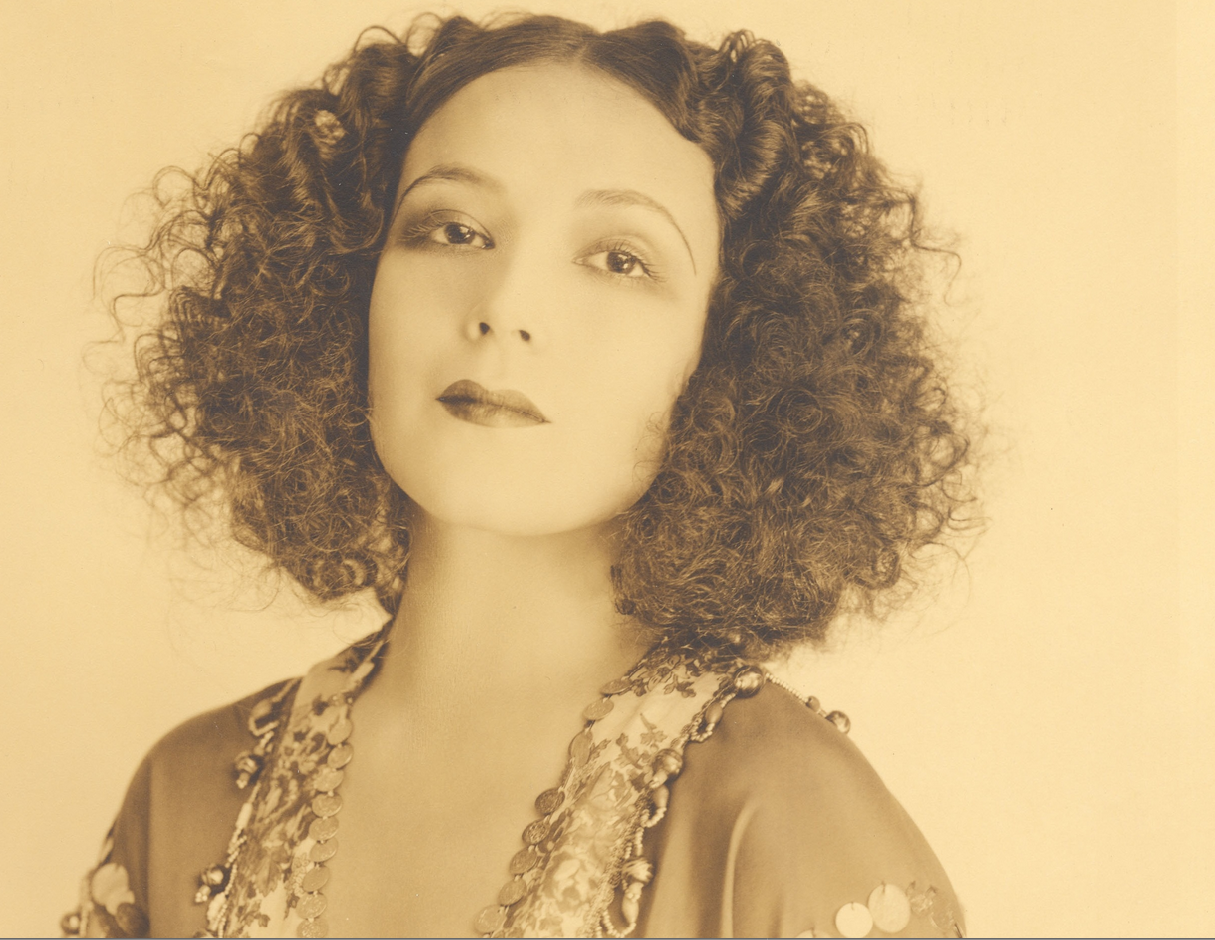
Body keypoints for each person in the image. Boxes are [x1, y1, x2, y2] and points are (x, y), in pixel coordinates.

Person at [65, 12, 972, 939]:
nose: (505, 306)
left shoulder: (782, 821)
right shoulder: (184, 797)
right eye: (453, 230)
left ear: (738, 350)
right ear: (345, 282)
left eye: (619, 259)